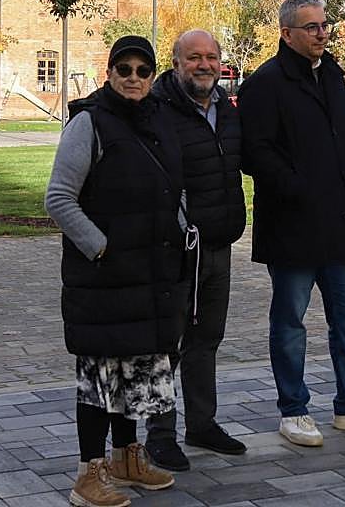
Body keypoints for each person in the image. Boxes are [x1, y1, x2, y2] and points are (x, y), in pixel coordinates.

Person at [238, 0, 345, 448]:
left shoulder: (331, 74)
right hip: (291, 226)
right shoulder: (265, 84)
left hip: (338, 224)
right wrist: (298, 187)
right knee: (290, 320)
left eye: (325, 25)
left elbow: (344, 137)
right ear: (287, 34)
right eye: (311, 27)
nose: (322, 34)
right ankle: (293, 409)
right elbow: (255, 154)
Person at [45, 35, 188, 507]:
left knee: (134, 372)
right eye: (123, 69)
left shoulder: (160, 120)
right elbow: (59, 198)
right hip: (104, 279)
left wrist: (180, 228)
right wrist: (100, 247)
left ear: (152, 76)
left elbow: (175, 189)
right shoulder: (89, 122)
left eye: (142, 71)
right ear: (108, 73)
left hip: (150, 275)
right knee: (99, 379)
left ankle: (128, 458)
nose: (133, 78)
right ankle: (88, 475)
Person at [144, 30, 247, 471]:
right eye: (194, 58)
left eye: (211, 57)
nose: (204, 65)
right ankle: (159, 435)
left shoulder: (227, 108)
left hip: (218, 246)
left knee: (206, 339)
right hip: (175, 249)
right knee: (165, 345)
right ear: (176, 63)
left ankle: (202, 424)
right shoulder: (158, 110)